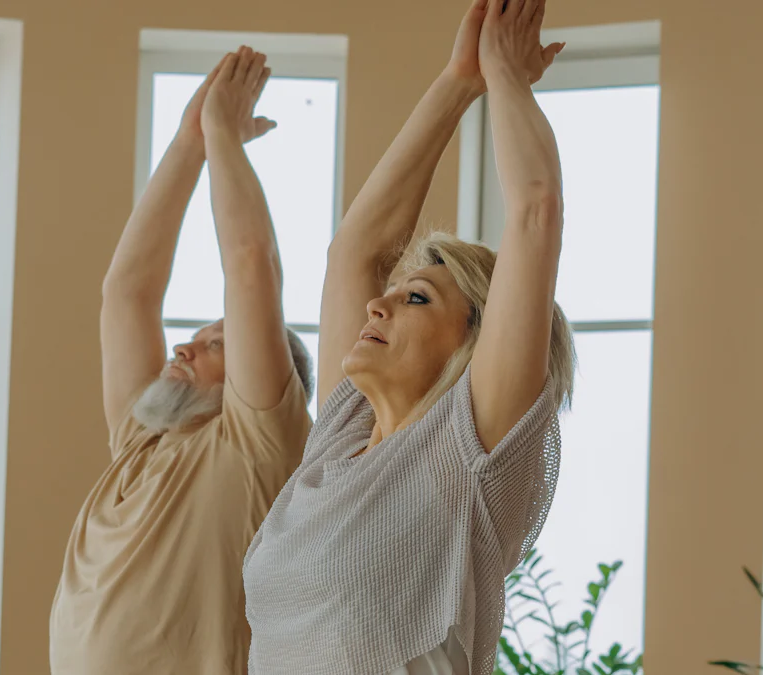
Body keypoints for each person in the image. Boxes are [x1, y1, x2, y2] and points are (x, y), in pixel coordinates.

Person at [242, 1, 575, 674]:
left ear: (472, 345)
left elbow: (535, 210)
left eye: (416, 297)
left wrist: (503, 73)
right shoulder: (339, 437)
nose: (377, 302)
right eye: (392, 292)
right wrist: (458, 79)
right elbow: (353, 252)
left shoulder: (470, 452)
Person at [49, 48, 314, 675]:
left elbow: (251, 263)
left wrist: (224, 136)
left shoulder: (257, 446)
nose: (184, 347)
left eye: (217, 343)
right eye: (197, 336)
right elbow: (127, 291)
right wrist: (188, 141)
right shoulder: (142, 439)